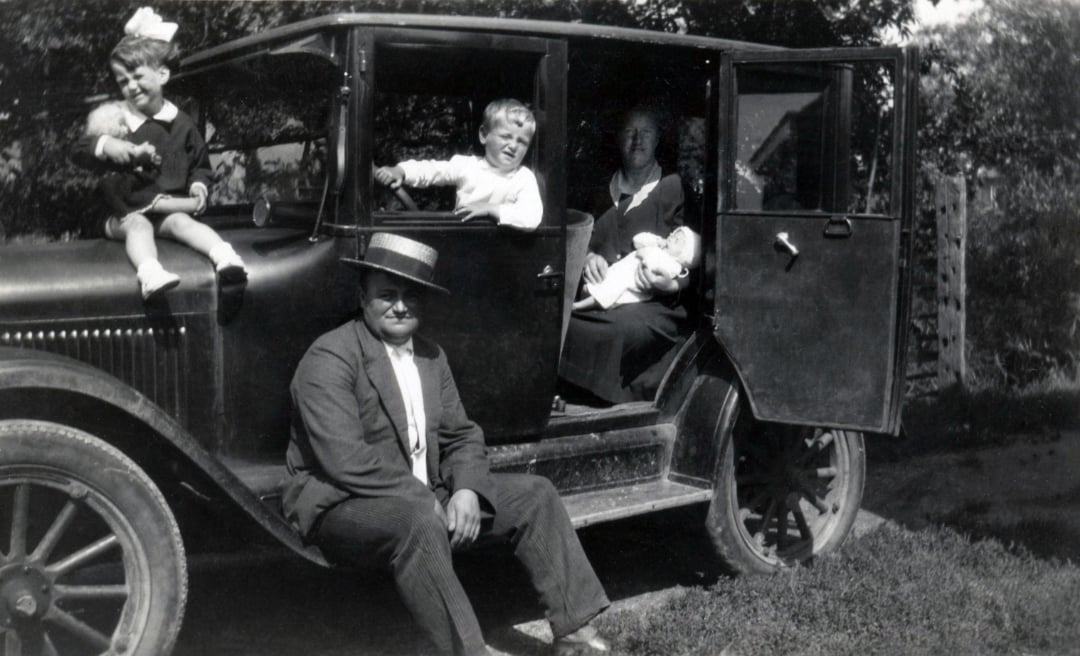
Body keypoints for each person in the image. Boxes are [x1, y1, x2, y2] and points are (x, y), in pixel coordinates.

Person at [283, 232, 613, 656]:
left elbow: (462, 434)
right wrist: (426, 499)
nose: (400, 306)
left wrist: (467, 490)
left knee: (536, 494)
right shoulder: (330, 357)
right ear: (362, 295)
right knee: (419, 519)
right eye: (387, 294)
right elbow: (344, 459)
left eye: (411, 296)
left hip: (422, 496)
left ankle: (576, 633)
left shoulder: (430, 356)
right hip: (341, 505)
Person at [73, 7, 246, 300]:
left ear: (162, 74)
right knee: (139, 226)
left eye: (137, 76)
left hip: (166, 212)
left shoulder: (182, 123)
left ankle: (226, 258)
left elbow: (200, 165)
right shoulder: (115, 119)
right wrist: (106, 145)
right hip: (121, 214)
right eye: (122, 81)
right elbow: (77, 151)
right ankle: (150, 273)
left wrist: (198, 185)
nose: (130, 86)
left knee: (184, 222)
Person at [559, 107, 689, 405]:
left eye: (646, 132)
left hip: (655, 306)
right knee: (561, 325)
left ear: (657, 140)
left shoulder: (674, 189)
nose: (637, 140)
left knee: (617, 331)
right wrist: (588, 256)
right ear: (618, 139)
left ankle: (605, 408)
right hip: (598, 296)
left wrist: (670, 284)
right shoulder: (596, 189)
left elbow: (691, 257)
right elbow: (576, 237)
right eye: (630, 132)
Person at [374, 98, 543, 231]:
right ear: (484, 135)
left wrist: (491, 209)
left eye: (522, 142)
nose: (513, 146)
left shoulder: (523, 177)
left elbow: (532, 216)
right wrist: (401, 170)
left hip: (500, 252)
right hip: (462, 238)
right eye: (506, 137)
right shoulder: (467, 166)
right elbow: (434, 170)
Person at [572, 226, 701, 312]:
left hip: (631, 282)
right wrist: (656, 240)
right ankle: (588, 293)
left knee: (611, 291)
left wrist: (644, 255)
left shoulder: (674, 265)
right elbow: (637, 240)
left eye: (677, 240)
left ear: (683, 255)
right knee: (606, 283)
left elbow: (651, 268)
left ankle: (578, 306)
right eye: (673, 233)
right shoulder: (659, 247)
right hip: (622, 269)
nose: (672, 236)